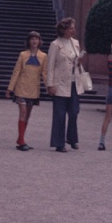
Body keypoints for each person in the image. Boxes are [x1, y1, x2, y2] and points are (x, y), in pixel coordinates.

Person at [46, 17, 86, 152]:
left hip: (74, 82)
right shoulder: (55, 44)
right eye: (71, 28)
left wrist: (79, 62)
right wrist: (50, 84)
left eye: (74, 28)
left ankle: (72, 138)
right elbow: (50, 66)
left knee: (74, 112)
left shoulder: (75, 43)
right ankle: (59, 143)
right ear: (64, 29)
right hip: (60, 83)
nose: (73, 30)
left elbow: (76, 62)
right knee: (60, 114)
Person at [5, 31, 48, 151]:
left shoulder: (44, 56)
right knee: (23, 112)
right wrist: (10, 88)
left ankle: (21, 138)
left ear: (40, 41)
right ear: (28, 41)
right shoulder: (23, 55)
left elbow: (45, 73)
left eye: (37, 39)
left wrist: (48, 86)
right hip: (21, 88)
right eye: (32, 39)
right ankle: (22, 140)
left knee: (27, 115)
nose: (34, 41)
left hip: (33, 90)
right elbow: (16, 72)